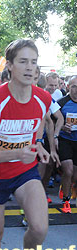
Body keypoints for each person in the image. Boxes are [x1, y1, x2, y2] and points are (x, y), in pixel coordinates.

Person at [0, 39, 52, 250]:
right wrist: (17, 152)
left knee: (39, 229)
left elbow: (38, 123)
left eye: (34, 62)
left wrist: (37, 143)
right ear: (9, 65)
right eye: (23, 62)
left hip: (24, 173)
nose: (30, 68)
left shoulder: (43, 98)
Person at [57, 75, 77, 213]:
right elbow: (51, 120)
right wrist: (62, 126)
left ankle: (65, 185)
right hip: (65, 140)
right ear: (68, 87)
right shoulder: (62, 102)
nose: (76, 90)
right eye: (74, 86)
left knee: (74, 175)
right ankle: (66, 200)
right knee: (68, 170)